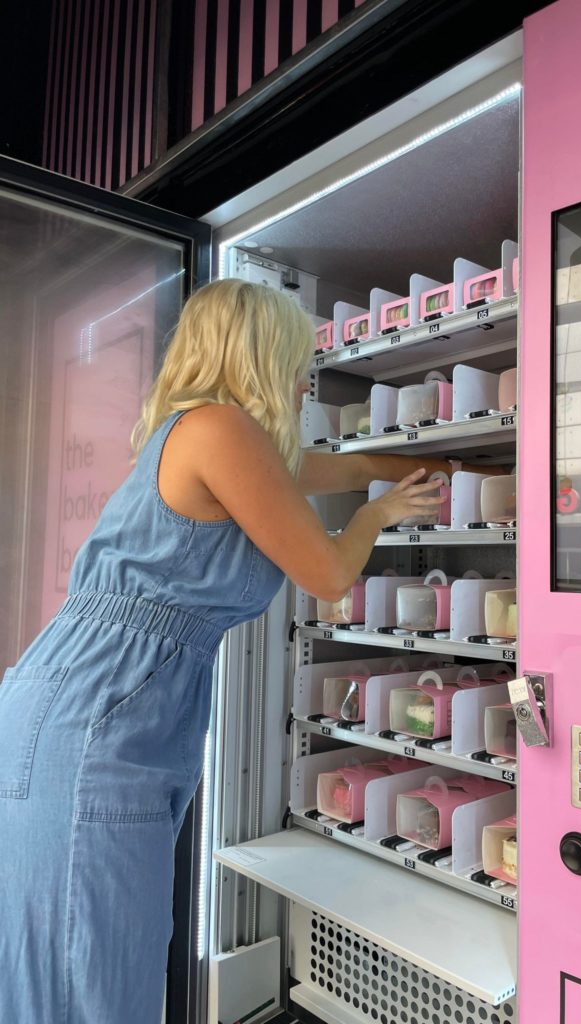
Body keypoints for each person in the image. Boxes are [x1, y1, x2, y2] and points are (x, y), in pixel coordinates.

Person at [0, 279, 492, 1024]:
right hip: (97, 713)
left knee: (102, 950)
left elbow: (355, 466)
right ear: (255, 354)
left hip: (110, 702)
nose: (305, 380)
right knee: (90, 962)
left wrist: (475, 473)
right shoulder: (217, 431)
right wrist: (377, 518)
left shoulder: (229, 442)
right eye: (297, 360)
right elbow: (327, 571)